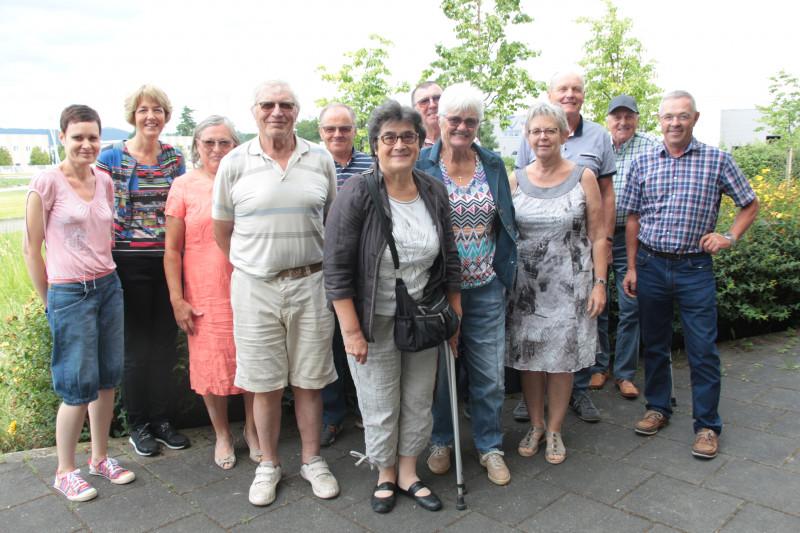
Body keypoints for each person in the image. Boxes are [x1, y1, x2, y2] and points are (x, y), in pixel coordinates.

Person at [324, 100, 461, 513]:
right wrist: (351, 331)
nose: (399, 144)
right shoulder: (357, 193)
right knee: (380, 401)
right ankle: (384, 472)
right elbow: (336, 268)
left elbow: (450, 257)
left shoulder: (433, 190)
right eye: (390, 137)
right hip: (374, 320)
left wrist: (454, 317)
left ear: (420, 142)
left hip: (424, 315)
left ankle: (407, 472)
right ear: (375, 145)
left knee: (418, 399)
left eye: (408, 137)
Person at [212, 80, 339, 506]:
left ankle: (312, 460)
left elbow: (331, 219)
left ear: (297, 112)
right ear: (255, 111)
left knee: (310, 380)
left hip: (311, 284)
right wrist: (255, 264)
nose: (277, 112)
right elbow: (222, 231)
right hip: (255, 288)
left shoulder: (320, 159)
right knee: (263, 384)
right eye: (268, 104)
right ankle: (268, 464)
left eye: (286, 104)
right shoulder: (234, 163)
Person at [621, 90, 758, 459]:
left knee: (702, 349)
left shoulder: (717, 160)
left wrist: (729, 236)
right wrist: (631, 267)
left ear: (695, 118)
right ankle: (658, 407)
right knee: (654, 344)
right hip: (650, 265)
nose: (675, 123)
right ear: (659, 120)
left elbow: (749, 203)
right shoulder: (643, 162)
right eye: (668, 116)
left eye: (682, 116)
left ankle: (707, 425)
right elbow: (632, 217)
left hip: (695, 268)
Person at [23, 105, 136, 502]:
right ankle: (64, 470)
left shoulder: (103, 180)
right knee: (76, 385)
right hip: (69, 293)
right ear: (63, 138)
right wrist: (50, 301)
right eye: (78, 137)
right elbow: (31, 249)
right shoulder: (47, 183)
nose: (86, 144)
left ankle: (100, 458)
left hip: (108, 286)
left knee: (106, 379)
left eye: (93, 137)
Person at [415, 83, 518, 486]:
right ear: (440, 121)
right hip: (439, 289)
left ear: (478, 125)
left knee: (489, 374)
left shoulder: (491, 164)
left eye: (470, 121)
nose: (461, 127)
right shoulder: (423, 165)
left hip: (487, 286)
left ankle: (490, 446)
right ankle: (442, 440)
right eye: (454, 119)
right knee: (443, 373)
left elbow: (505, 220)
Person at [507, 102, 607, 464]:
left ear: (564, 135)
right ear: (527, 136)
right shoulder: (515, 179)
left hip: (571, 285)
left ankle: (554, 430)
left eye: (550, 130)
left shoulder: (584, 177)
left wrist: (600, 283)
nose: (543, 137)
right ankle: (535, 425)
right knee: (530, 359)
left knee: (562, 361)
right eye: (536, 131)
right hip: (526, 288)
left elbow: (598, 235)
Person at [96, 84, 190, 456]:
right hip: (127, 262)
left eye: (157, 110)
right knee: (136, 348)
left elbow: (181, 208)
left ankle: (162, 421)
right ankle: (138, 425)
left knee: (165, 345)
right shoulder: (111, 157)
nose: (151, 116)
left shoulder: (174, 158)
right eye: (143, 110)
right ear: (132, 115)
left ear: (166, 116)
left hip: (167, 260)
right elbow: (96, 206)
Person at [164, 115, 259, 470]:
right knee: (210, 366)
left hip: (249, 287)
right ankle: (222, 434)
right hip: (204, 292)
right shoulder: (183, 186)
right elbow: (172, 250)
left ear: (236, 146)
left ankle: (253, 429)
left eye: (225, 142)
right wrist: (177, 299)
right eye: (209, 142)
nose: (217, 149)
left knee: (254, 360)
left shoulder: (248, 180)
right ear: (197, 146)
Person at [588, 95, 660, 399]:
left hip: (632, 238)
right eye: (616, 116)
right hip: (596, 237)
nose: (622, 122)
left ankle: (625, 373)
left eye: (628, 116)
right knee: (598, 304)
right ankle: (599, 366)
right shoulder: (597, 145)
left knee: (631, 305)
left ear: (637, 118)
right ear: (608, 120)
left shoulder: (652, 147)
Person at [317, 103, 373, 446]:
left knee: (364, 339)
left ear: (355, 130)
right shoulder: (311, 165)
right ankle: (333, 415)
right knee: (330, 345)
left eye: (345, 128)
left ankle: (368, 409)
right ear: (320, 132)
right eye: (330, 129)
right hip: (323, 269)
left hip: (363, 269)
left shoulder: (372, 165)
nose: (337, 134)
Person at [412, 81, 444, 147]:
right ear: (414, 110)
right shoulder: (409, 145)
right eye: (424, 101)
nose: (432, 105)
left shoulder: (462, 139)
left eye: (437, 98)